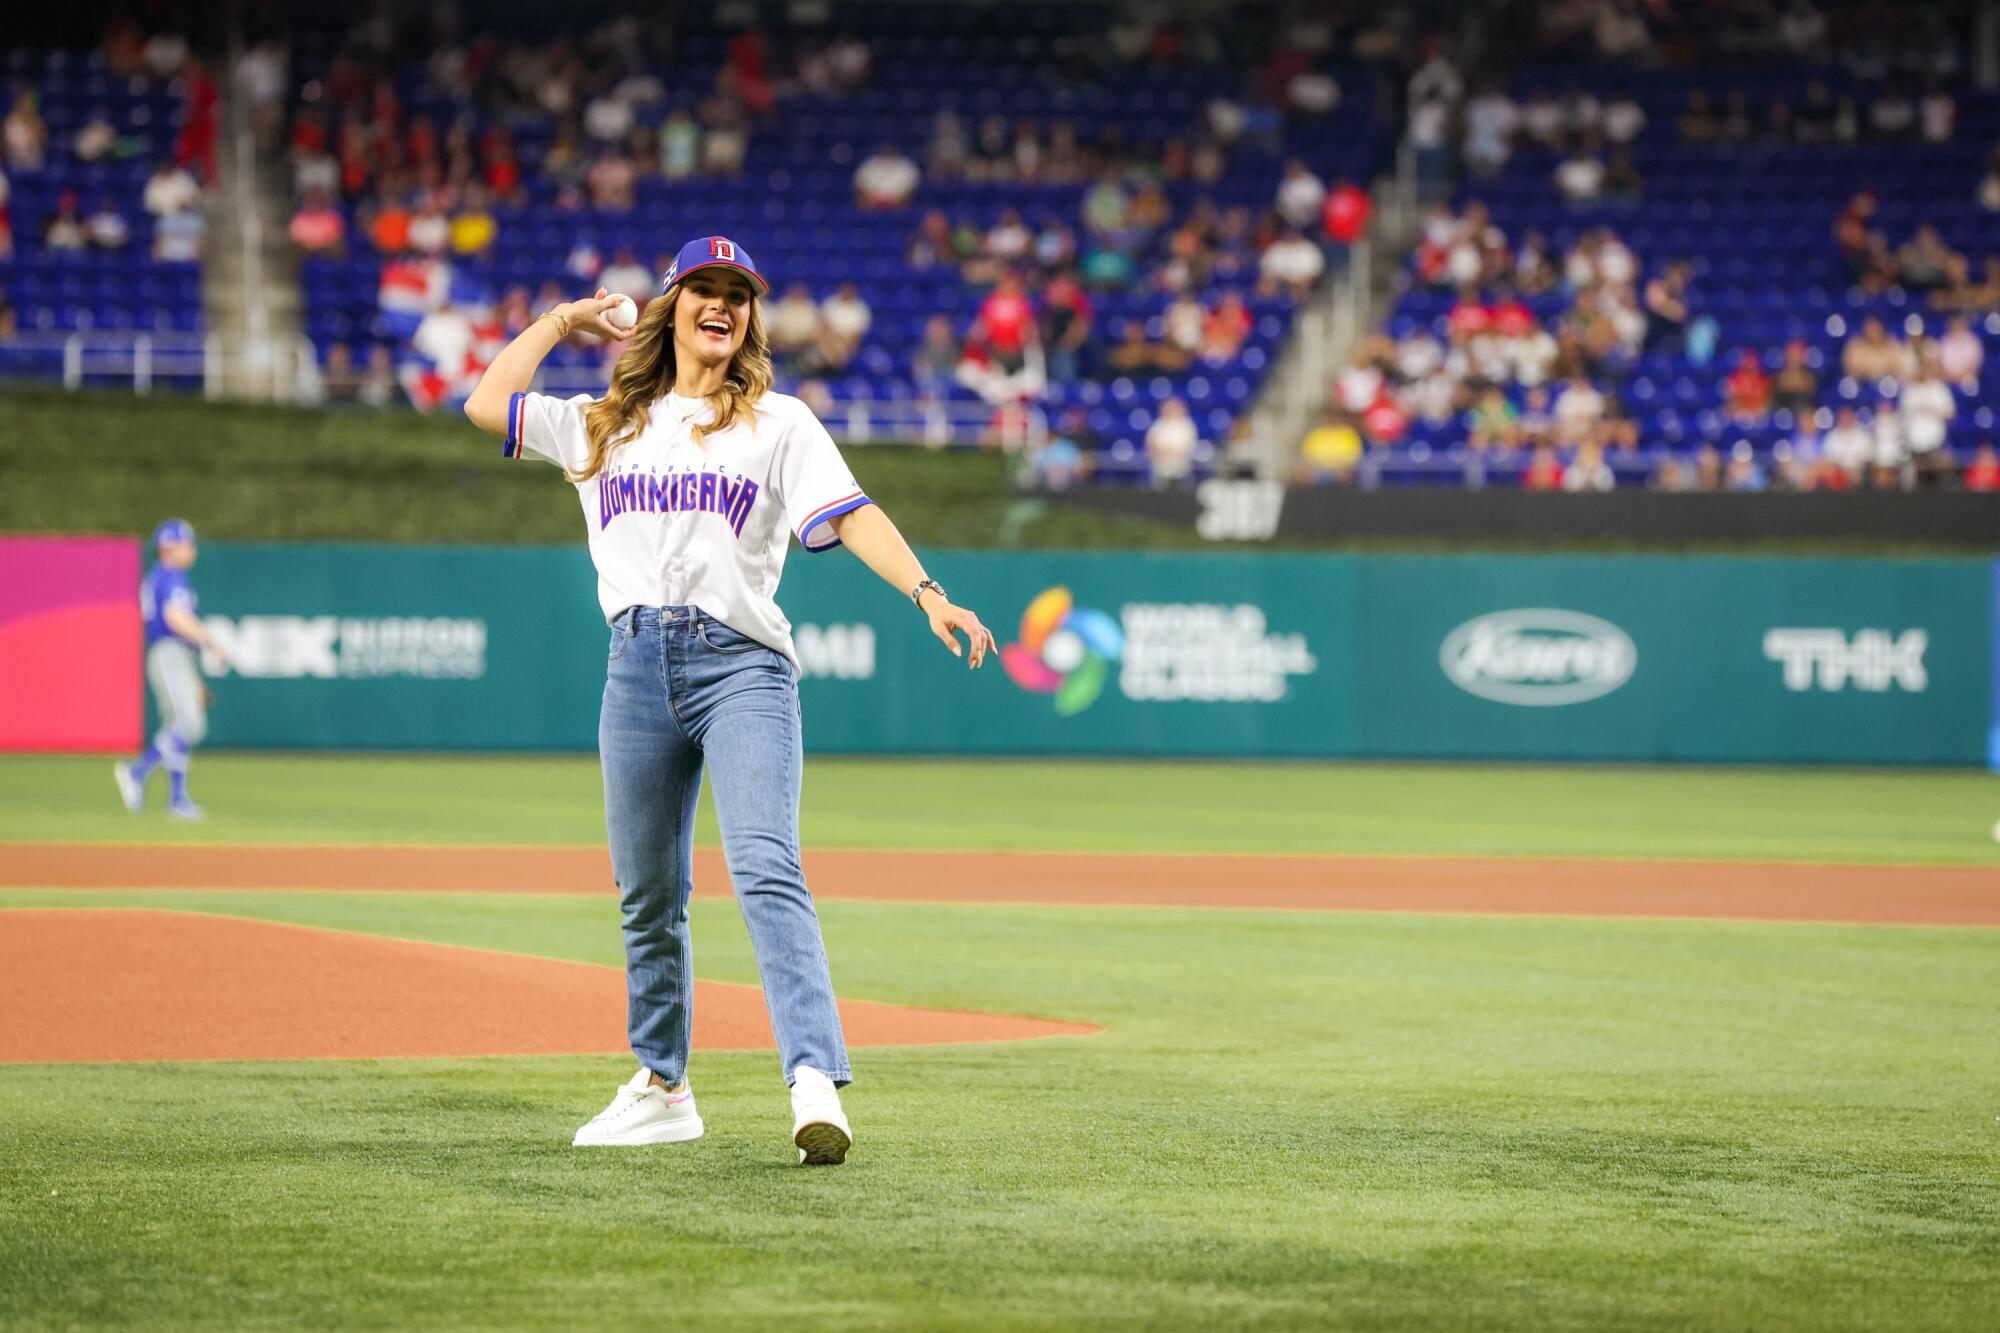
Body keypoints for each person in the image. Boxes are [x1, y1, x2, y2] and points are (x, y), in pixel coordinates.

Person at [462, 236, 996, 1164]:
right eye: (703, 288)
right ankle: (664, 1085)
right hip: (633, 665)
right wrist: (563, 320)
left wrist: (927, 592)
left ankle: (814, 1080)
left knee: (764, 864)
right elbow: (481, 404)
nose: (722, 304)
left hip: (740, 665)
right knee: (648, 893)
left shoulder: (779, 423)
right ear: (671, 306)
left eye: (737, 294)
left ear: (749, 319)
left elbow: (854, 512)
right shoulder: (603, 423)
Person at [113, 520, 226, 821]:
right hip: (169, 653)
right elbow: (175, 617)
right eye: (185, 543)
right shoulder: (171, 576)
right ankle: (136, 771)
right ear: (168, 547)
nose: (191, 549)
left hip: (176, 656)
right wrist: (210, 641)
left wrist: (195, 678)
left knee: (179, 725)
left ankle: (178, 799)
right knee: (190, 724)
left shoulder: (163, 577)